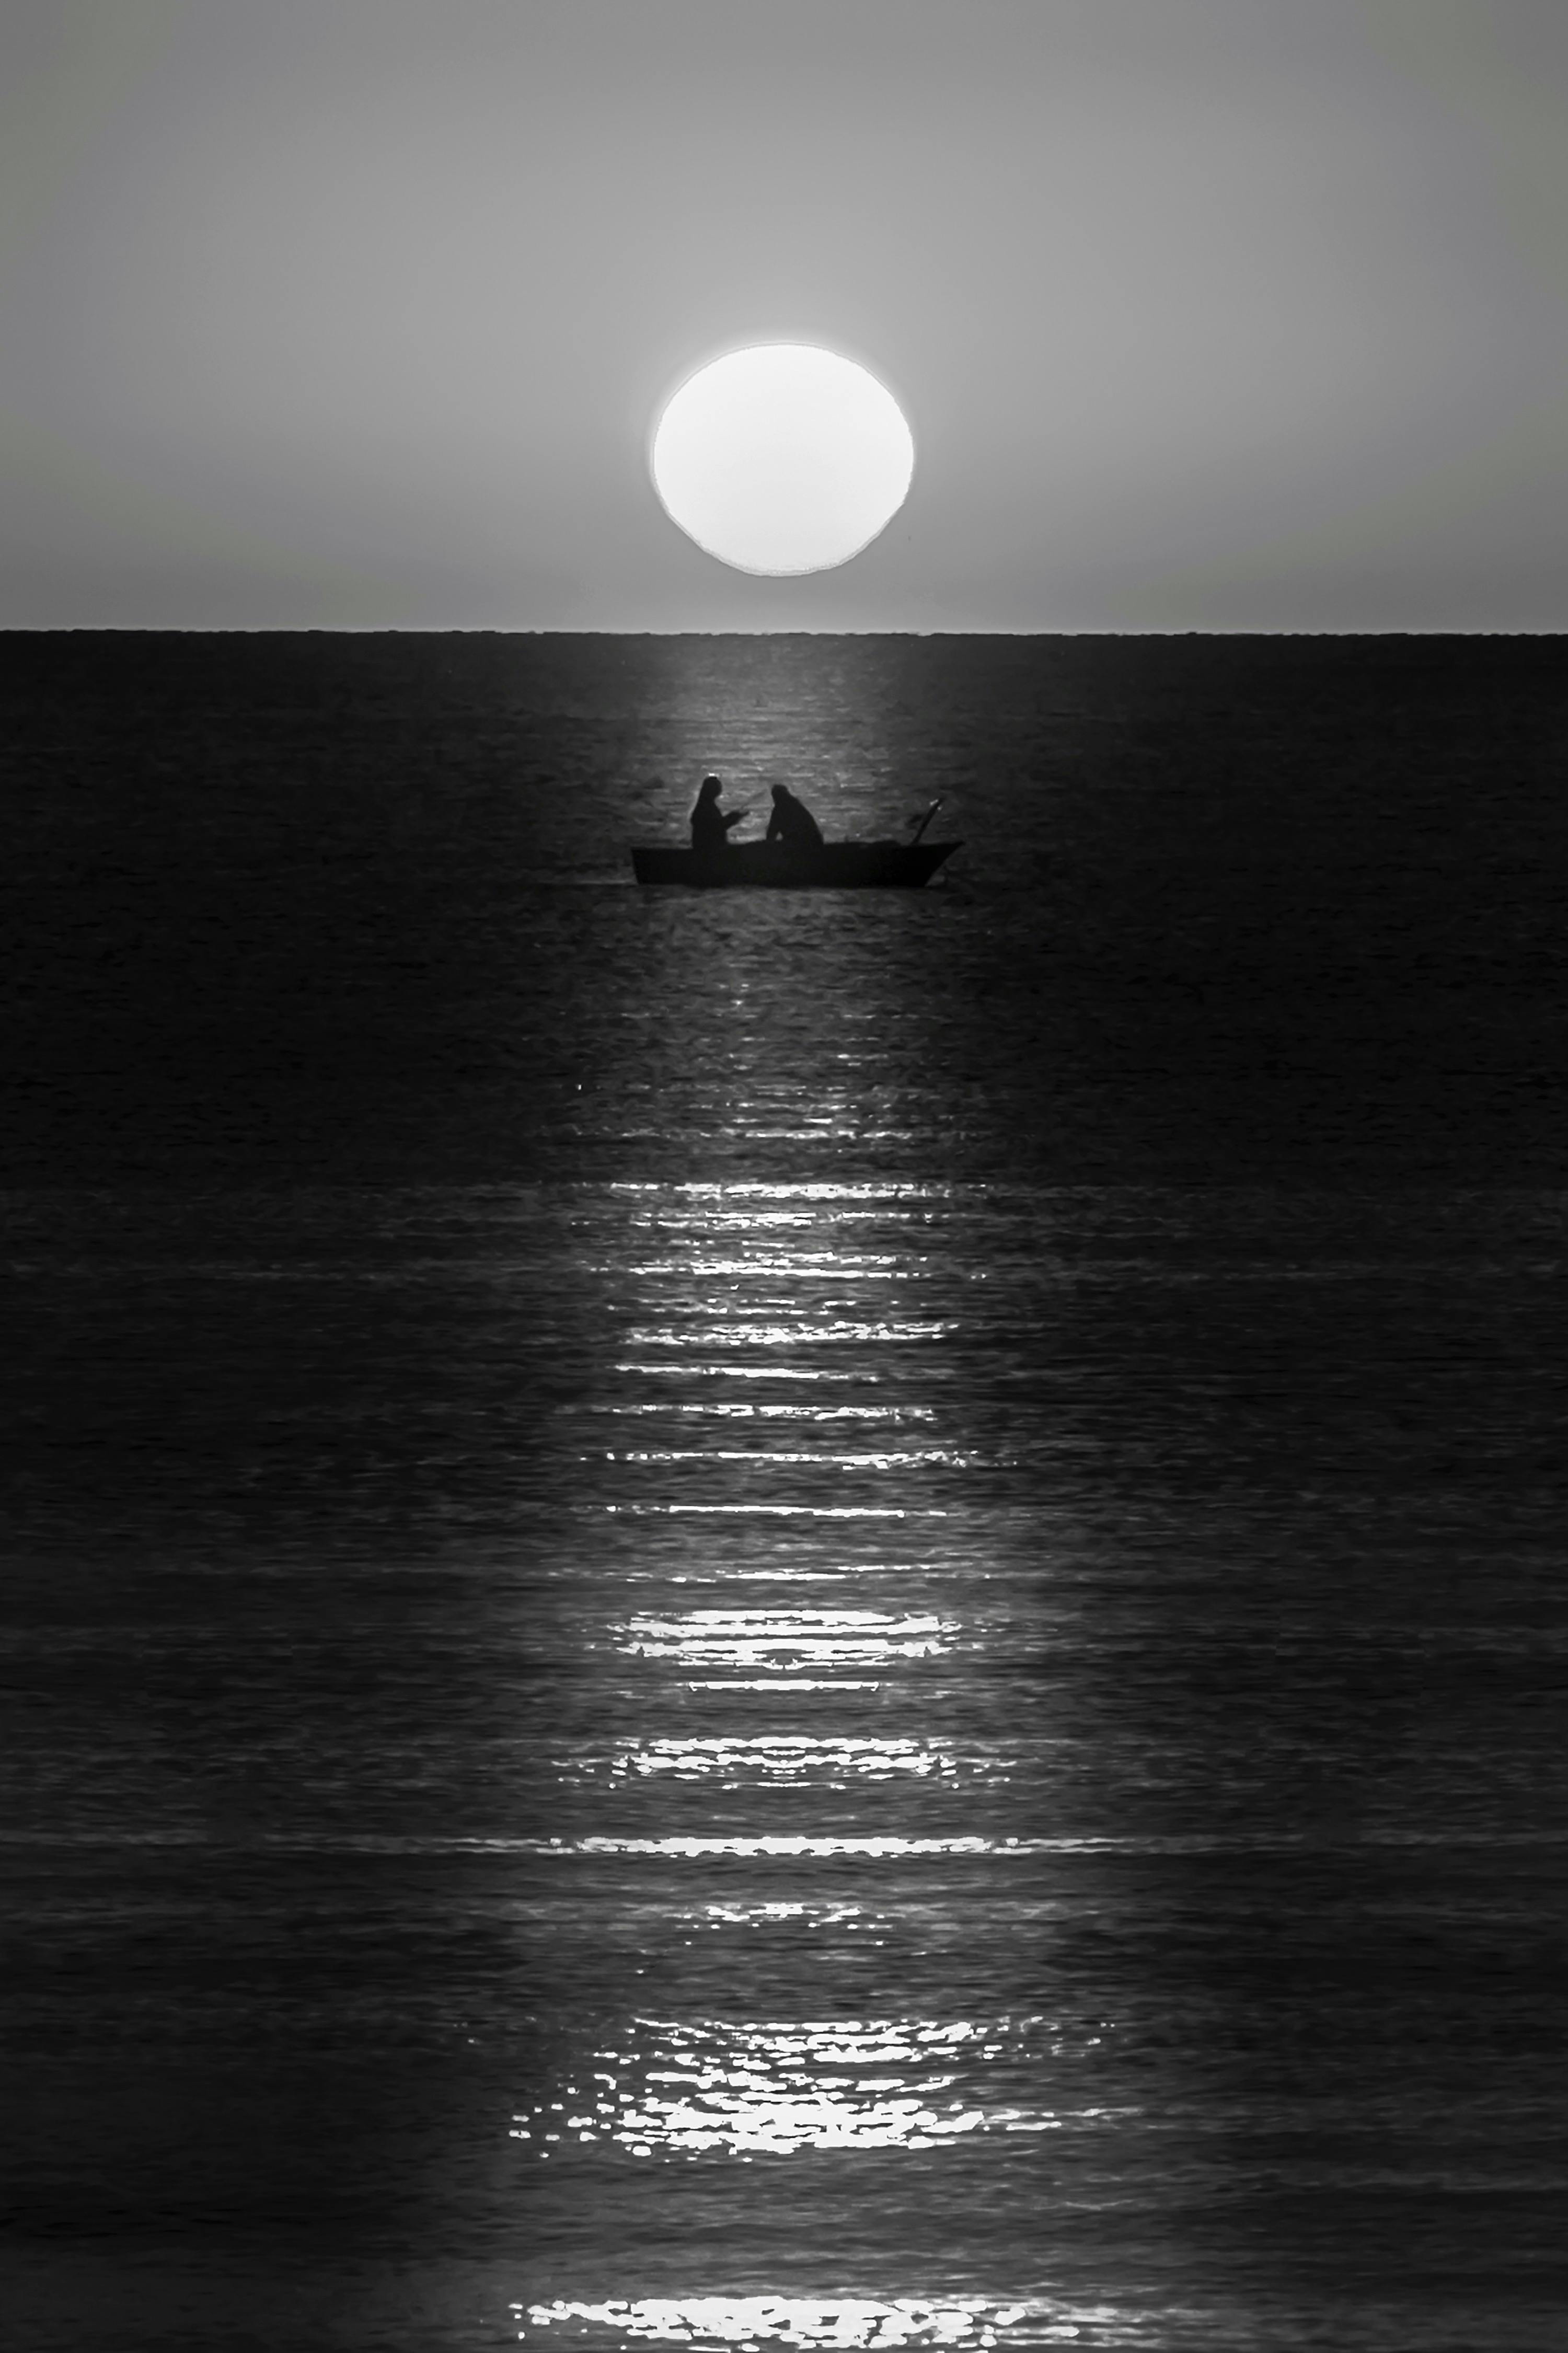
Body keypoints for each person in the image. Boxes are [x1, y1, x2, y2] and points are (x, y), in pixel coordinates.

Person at [690, 774, 743, 851]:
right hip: (709, 848)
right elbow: (716, 826)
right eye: (717, 787)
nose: (720, 789)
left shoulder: (704, 805)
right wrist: (732, 818)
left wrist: (732, 818)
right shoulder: (706, 807)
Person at [765, 783, 825, 848]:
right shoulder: (797, 806)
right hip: (814, 842)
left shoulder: (779, 809)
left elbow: (771, 834)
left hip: (800, 843)